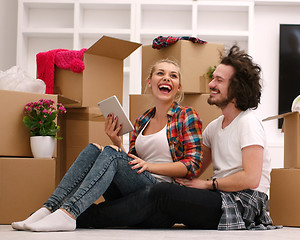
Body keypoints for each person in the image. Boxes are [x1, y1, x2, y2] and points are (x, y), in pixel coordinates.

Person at [75, 45, 280, 230]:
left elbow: (251, 179)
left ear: (237, 87)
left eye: (219, 80)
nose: (210, 84)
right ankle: (73, 211)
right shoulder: (213, 128)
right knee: (162, 192)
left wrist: (208, 185)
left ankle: (84, 217)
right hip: (219, 196)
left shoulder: (248, 122)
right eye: (213, 78)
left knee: (163, 193)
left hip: (244, 203)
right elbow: (191, 169)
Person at [11, 59, 203, 232]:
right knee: (94, 148)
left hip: (160, 197)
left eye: (173, 75)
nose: (166, 78)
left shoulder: (186, 115)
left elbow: (192, 166)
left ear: (178, 88)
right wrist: (117, 143)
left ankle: (69, 213)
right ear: (149, 82)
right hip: (136, 192)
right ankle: (49, 208)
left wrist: (149, 166)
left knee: (112, 154)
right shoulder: (142, 119)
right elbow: (133, 163)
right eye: (160, 73)